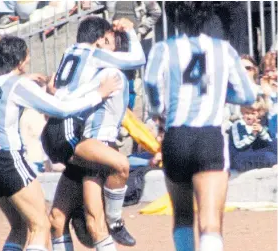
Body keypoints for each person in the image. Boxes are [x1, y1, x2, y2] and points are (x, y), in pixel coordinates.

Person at [0, 35, 121, 251]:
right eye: (27, 56)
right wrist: (99, 94)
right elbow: (60, 110)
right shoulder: (19, 85)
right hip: (6, 159)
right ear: (20, 60)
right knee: (39, 225)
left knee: (19, 226)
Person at [144, 2, 257, 251]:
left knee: (183, 216)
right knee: (210, 222)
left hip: (176, 137)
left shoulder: (163, 49)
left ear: (174, 19)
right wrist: (220, 95)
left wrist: (157, 111)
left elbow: (151, 81)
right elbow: (248, 95)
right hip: (209, 137)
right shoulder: (223, 49)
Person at [43, 16, 145, 250]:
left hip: (57, 133)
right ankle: (115, 221)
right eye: (109, 39)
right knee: (95, 220)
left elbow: (58, 88)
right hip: (82, 139)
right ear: (101, 40)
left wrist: (53, 93)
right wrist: (130, 31)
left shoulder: (72, 52)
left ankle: (87, 212)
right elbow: (138, 59)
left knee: (57, 219)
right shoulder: (100, 62)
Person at [229, 98, 277, 171]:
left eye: (253, 113)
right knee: (269, 157)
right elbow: (239, 145)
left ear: (258, 114)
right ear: (242, 112)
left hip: (254, 152)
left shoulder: (259, 123)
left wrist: (261, 131)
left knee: (275, 143)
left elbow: (269, 141)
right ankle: (272, 161)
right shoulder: (238, 124)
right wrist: (253, 135)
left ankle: (272, 161)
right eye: (247, 113)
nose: (249, 116)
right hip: (241, 156)